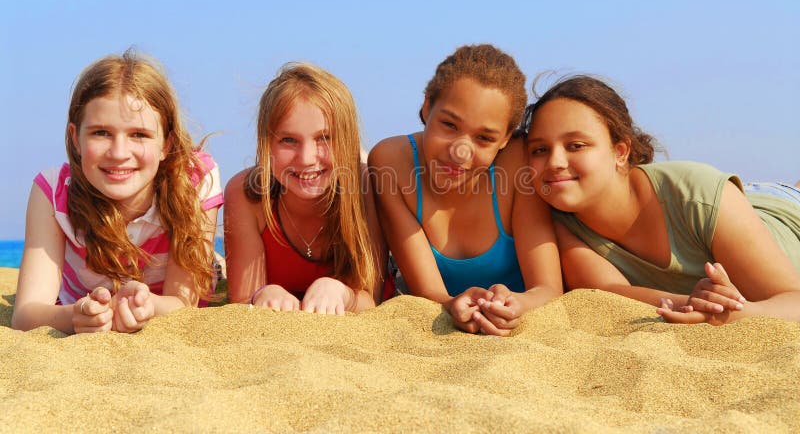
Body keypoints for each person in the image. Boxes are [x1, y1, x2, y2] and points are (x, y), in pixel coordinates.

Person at [523, 75, 800, 325]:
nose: (555, 162)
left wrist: (737, 312)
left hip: (781, 207)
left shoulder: (694, 194)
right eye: (540, 149)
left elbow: (793, 302)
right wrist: (693, 304)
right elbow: (608, 293)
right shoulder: (556, 218)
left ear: (620, 151)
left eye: (576, 146)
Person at [12, 50, 223, 334]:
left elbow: (181, 303)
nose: (119, 153)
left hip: (161, 296)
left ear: (166, 144)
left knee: (214, 270)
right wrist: (76, 315)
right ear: (75, 138)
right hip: (82, 301)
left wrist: (146, 305)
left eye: (139, 134)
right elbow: (25, 314)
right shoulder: (52, 193)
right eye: (101, 133)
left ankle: (218, 263)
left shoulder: (195, 181)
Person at [369, 44, 562, 336]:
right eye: (449, 124)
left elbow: (548, 289)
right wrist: (451, 304)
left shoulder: (517, 163)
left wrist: (518, 303)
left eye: (484, 138)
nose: (460, 151)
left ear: (506, 138)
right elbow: (429, 292)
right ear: (426, 107)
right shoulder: (391, 161)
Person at [224, 62, 386, 314]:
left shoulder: (365, 186)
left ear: (348, 139)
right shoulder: (247, 194)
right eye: (288, 140)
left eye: (324, 138)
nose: (307, 158)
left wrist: (341, 293)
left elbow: (371, 299)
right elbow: (241, 301)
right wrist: (263, 294)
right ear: (266, 143)